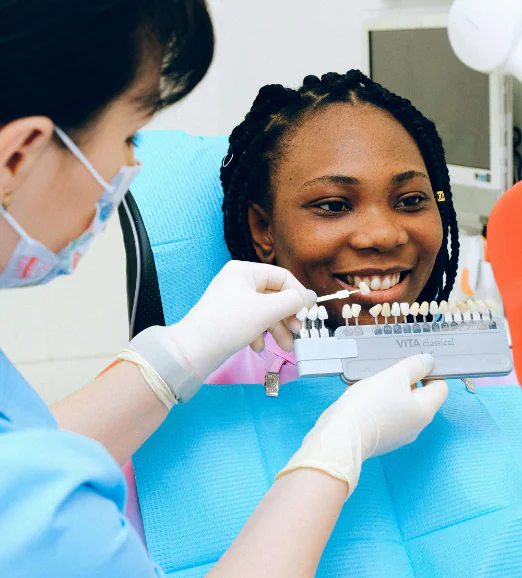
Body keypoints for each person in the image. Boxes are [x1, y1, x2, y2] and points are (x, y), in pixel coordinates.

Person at [0, 2, 447, 576]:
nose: (133, 162)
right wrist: (336, 450)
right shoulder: (68, 511)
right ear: (18, 155)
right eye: (130, 134)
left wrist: (171, 358)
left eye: (411, 200)